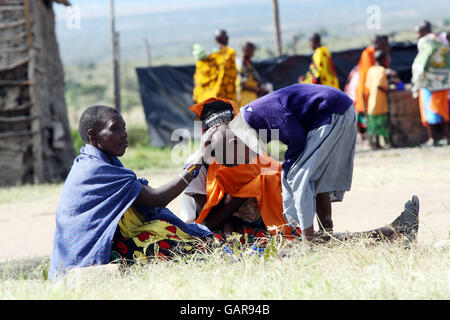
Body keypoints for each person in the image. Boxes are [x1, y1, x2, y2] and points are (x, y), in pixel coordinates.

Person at [208, 84, 419, 242]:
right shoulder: (250, 125)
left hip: (329, 113)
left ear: (236, 140)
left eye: (239, 157)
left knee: (298, 177)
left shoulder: (255, 116)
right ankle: (331, 231)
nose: (246, 161)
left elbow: (295, 137)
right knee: (313, 178)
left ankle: (309, 244)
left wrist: (289, 167)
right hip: (337, 109)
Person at [49, 105, 218, 279]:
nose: (124, 134)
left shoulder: (98, 162)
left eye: (124, 127)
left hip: (94, 249)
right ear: (93, 136)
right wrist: (194, 165)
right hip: (84, 257)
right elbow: (156, 199)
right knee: (173, 245)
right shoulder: (94, 169)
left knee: (171, 235)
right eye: (115, 128)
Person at [180, 97, 295, 240]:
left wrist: (252, 190)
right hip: (210, 225)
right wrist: (245, 194)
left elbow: (278, 179)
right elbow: (205, 223)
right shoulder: (197, 163)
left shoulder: (248, 151)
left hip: (249, 219)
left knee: (271, 179)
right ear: (207, 135)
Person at [411, 20, 450, 146]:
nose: (417, 36)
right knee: (444, 110)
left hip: (429, 82)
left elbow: (422, 61)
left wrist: (416, 78)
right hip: (444, 81)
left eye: (418, 33)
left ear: (423, 31)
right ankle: (447, 137)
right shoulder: (441, 39)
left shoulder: (424, 41)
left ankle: (433, 139)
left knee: (428, 110)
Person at [355, 34, 390, 144]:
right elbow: (369, 74)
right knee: (368, 116)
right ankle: (369, 141)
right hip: (368, 89)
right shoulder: (367, 54)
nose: (381, 44)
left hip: (373, 89)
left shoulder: (378, 54)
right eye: (379, 42)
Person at [192, 29, 237, 104]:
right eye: (225, 36)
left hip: (213, 96)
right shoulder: (230, 53)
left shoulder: (211, 57)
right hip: (227, 94)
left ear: (216, 40)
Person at [364, 50, 391, 149]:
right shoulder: (382, 70)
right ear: (384, 60)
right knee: (382, 123)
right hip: (380, 102)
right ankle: (383, 143)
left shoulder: (371, 69)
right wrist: (387, 90)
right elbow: (380, 85)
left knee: (373, 124)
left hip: (372, 102)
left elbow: (368, 85)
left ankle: (375, 144)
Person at [236, 42, 268, 107]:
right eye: (252, 51)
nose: (253, 53)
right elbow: (241, 85)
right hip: (244, 98)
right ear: (245, 50)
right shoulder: (241, 64)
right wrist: (257, 90)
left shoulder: (249, 63)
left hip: (252, 97)